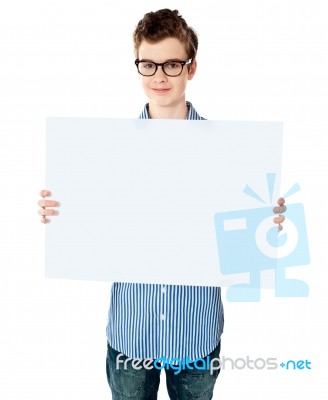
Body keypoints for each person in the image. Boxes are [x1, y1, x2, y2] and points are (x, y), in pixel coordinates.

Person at [38, 9, 286, 399]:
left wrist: (266, 221)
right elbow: (92, 228)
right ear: (137, 67)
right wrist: (61, 213)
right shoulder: (106, 152)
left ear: (191, 68)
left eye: (172, 64)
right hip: (131, 333)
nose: (159, 76)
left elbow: (244, 244)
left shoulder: (231, 154)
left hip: (197, 335)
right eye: (148, 64)